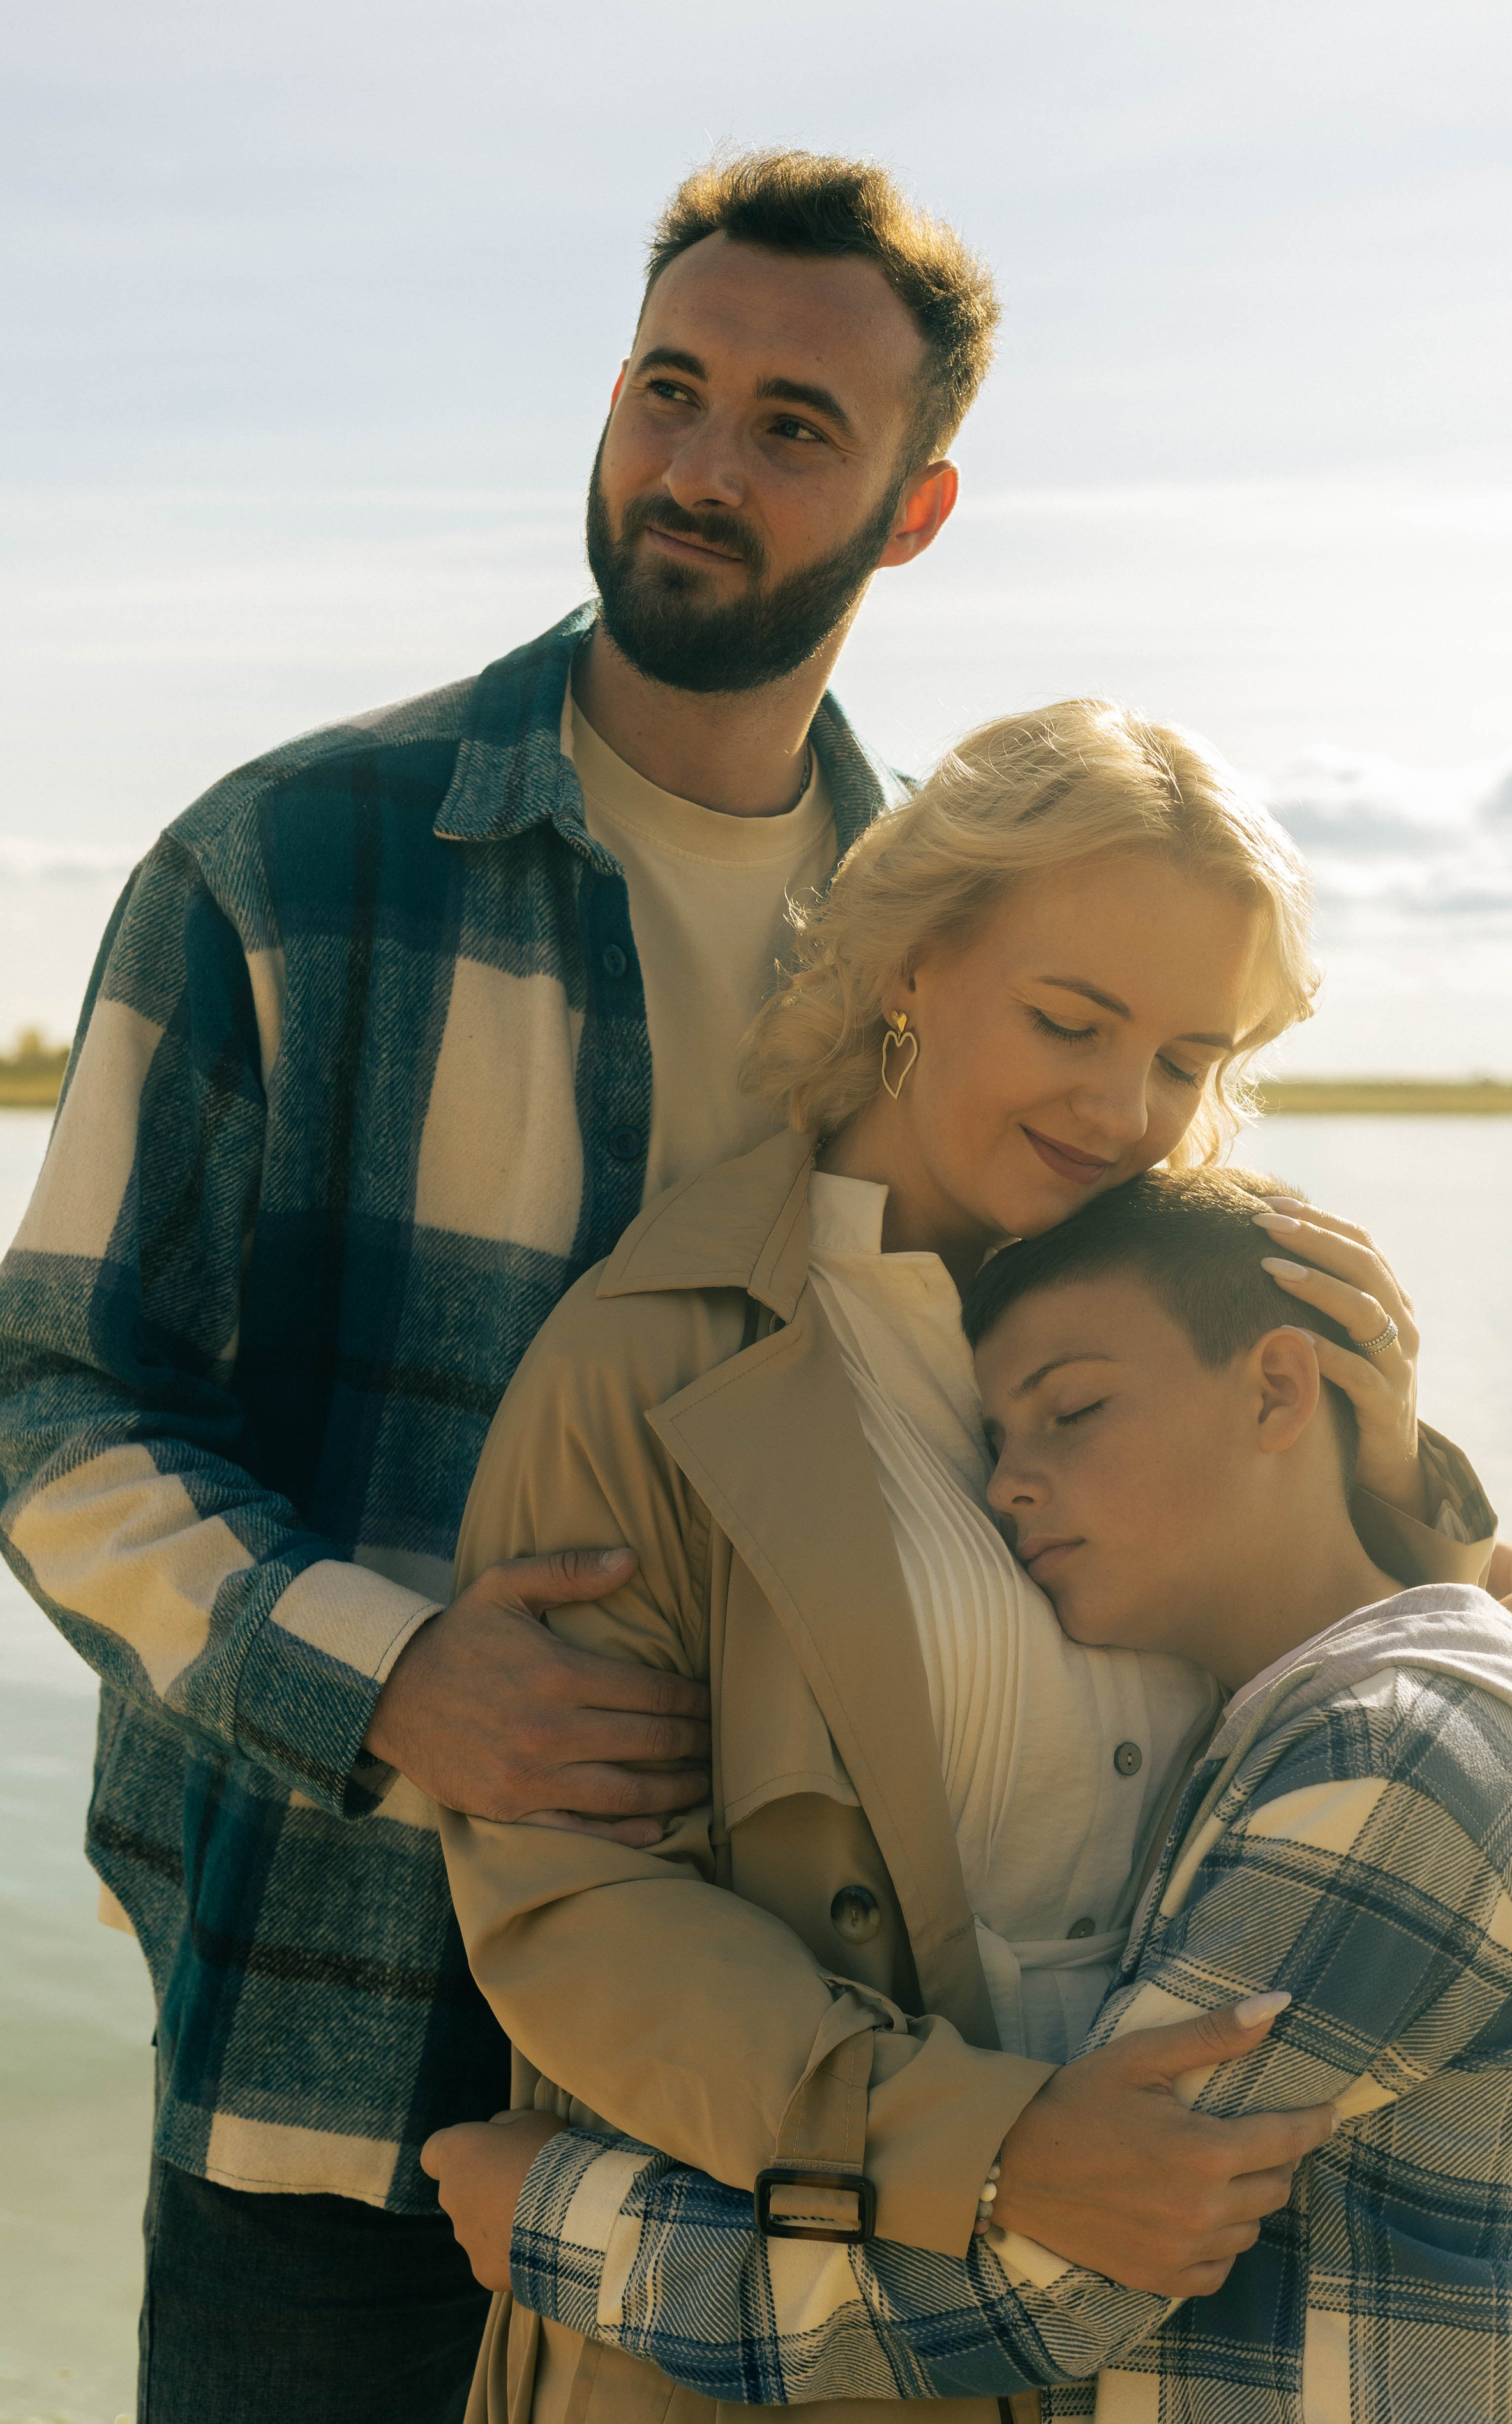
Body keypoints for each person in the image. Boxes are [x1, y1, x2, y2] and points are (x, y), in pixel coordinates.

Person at [0, 151, 1003, 2422]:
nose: (699, 465)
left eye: (791, 426)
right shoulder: (284, 863)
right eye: (672, 387)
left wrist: (1380, 1556)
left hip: (794, 2081)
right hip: (326, 2046)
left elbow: (1088, 1395)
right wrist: (389, 1676)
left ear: (913, 511)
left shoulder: (959, 948)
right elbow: (48, 1403)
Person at [427, 696, 1512, 2424]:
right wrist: (992, 2146)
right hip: (768, 2340)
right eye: (1071, 1019)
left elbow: (1390, 1740)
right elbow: (579, 1911)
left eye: (1190, 1059)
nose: (1129, 1106)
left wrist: (1409, 1495)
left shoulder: (1220, 1317)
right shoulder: (650, 1359)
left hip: (1158, 2347)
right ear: (910, 962)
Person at [436, 1169, 1512, 2422]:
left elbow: (1063, 2281)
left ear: (1278, 1387)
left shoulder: (1385, 1769)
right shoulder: (1324, 1730)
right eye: (995, 1443)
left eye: (1071, 1411)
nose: (1007, 1485)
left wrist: (561, 2222)